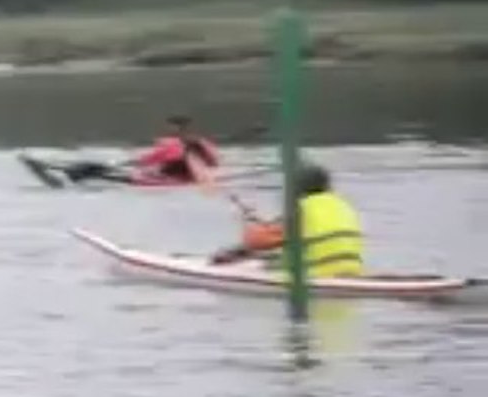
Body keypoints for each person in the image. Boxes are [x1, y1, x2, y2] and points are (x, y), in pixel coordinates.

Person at [210, 163, 364, 278]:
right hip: (352, 271)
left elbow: (256, 241)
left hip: (313, 275)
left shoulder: (302, 208)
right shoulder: (345, 206)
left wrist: (235, 247)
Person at [133, 115, 219, 183]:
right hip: (193, 175)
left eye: (170, 126)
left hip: (175, 176)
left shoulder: (169, 143)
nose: (168, 129)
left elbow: (151, 158)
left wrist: (138, 162)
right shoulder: (201, 141)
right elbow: (213, 161)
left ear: (176, 128)